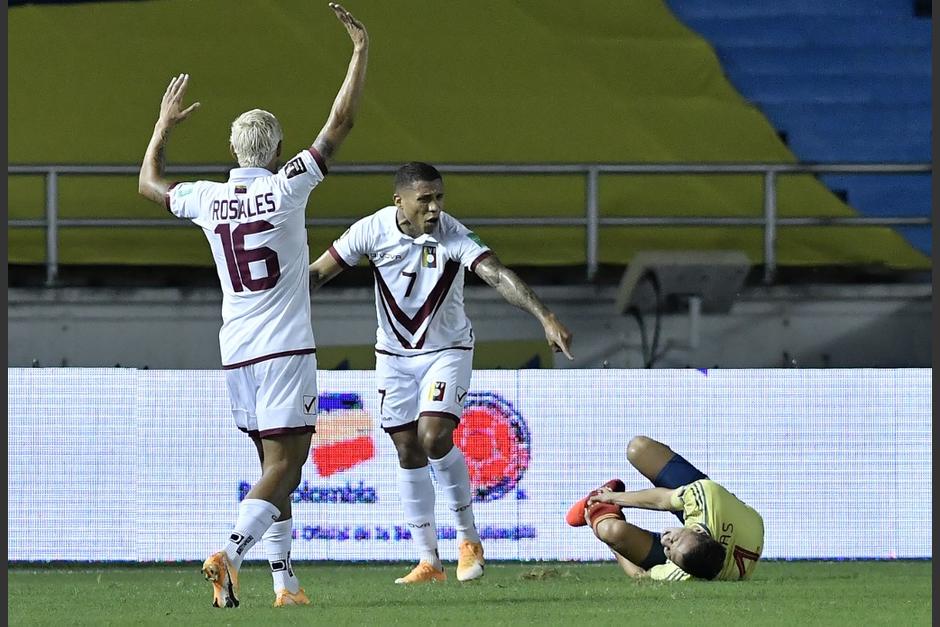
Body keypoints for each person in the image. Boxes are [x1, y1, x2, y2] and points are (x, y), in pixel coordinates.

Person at [136, 3, 368, 609]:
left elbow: (148, 183)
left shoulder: (208, 199)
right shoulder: (288, 186)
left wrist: (163, 125)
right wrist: (358, 52)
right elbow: (340, 122)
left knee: (272, 464)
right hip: (284, 347)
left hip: (236, 350)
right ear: (278, 148)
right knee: (288, 465)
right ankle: (231, 555)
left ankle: (285, 585)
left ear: (233, 150)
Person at [306, 162, 574, 583]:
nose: (434, 208)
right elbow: (318, 273)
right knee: (407, 449)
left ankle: (468, 539)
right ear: (399, 201)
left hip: (447, 351)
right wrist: (272, 304)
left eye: (439, 198)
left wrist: (545, 316)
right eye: (424, 200)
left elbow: (497, 274)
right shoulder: (370, 230)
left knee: (433, 437)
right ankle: (429, 560)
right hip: (393, 355)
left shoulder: (453, 235)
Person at [566, 435, 764, 581]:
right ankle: (600, 502)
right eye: (674, 540)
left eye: (668, 551)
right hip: (722, 511)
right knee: (639, 448)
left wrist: (609, 540)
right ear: (698, 532)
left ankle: (594, 509)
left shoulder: (682, 574)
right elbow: (663, 499)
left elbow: (641, 577)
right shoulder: (706, 497)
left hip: (722, 534)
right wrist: (614, 498)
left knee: (610, 531)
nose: (665, 540)